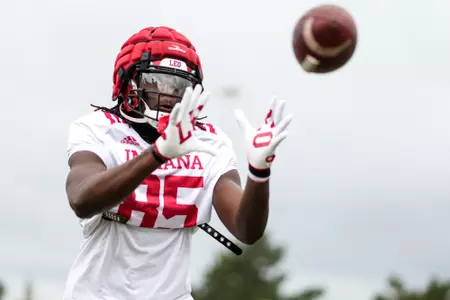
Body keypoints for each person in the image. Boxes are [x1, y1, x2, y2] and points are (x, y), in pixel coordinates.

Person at [63, 26, 293, 300]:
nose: (170, 94)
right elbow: (82, 200)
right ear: (128, 82)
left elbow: (246, 230)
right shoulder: (99, 129)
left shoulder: (209, 143)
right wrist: (157, 154)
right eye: (157, 82)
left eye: (179, 86)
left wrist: (259, 172)